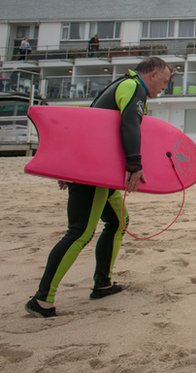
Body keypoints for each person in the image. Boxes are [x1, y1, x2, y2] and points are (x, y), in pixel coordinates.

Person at [26, 57, 172, 318]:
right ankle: (42, 299)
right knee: (80, 232)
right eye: (165, 80)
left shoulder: (122, 86)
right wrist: (134, 165)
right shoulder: (133, 87)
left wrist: (67, 165)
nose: (165, 86)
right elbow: (129, 124)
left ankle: (102, 283)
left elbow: (89, 126)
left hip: (97, 171)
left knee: (119, 221)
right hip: (93, 173)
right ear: (153, 73)